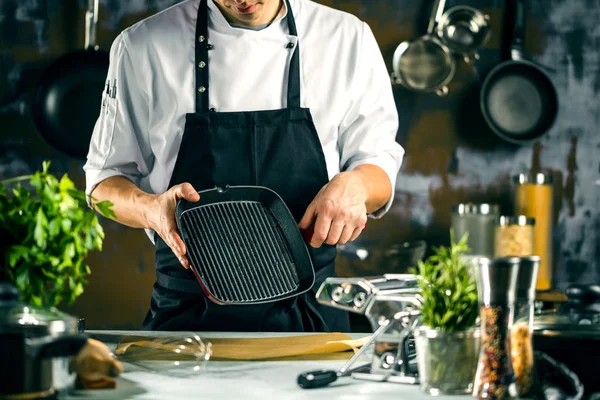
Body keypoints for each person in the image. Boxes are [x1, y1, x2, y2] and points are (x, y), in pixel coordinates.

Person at [84, 0, 404, 332]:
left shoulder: (346, 39)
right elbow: (103, 182)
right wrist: (150, 209)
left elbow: (378, 163)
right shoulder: (142, 47)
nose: (243, 1)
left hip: (312, 318)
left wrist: (358, 186)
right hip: (188, 320)